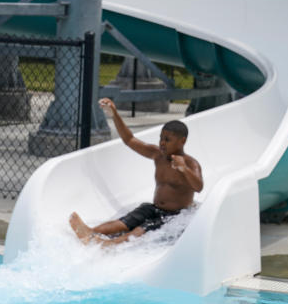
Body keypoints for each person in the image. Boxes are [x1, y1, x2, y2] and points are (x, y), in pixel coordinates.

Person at [69, 97, 203, 246]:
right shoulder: (158, 155)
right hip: (154, 208)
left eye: (167, 139)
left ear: (182, 141)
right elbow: (130, 140)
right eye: (161, 138)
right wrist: (114, 114)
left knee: (139, 231)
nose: (162, 143)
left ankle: (108, 245)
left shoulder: (191, 163)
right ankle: (89, 232)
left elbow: (198, 187)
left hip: (173, 215)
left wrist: (184, 169)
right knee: (124, 222)